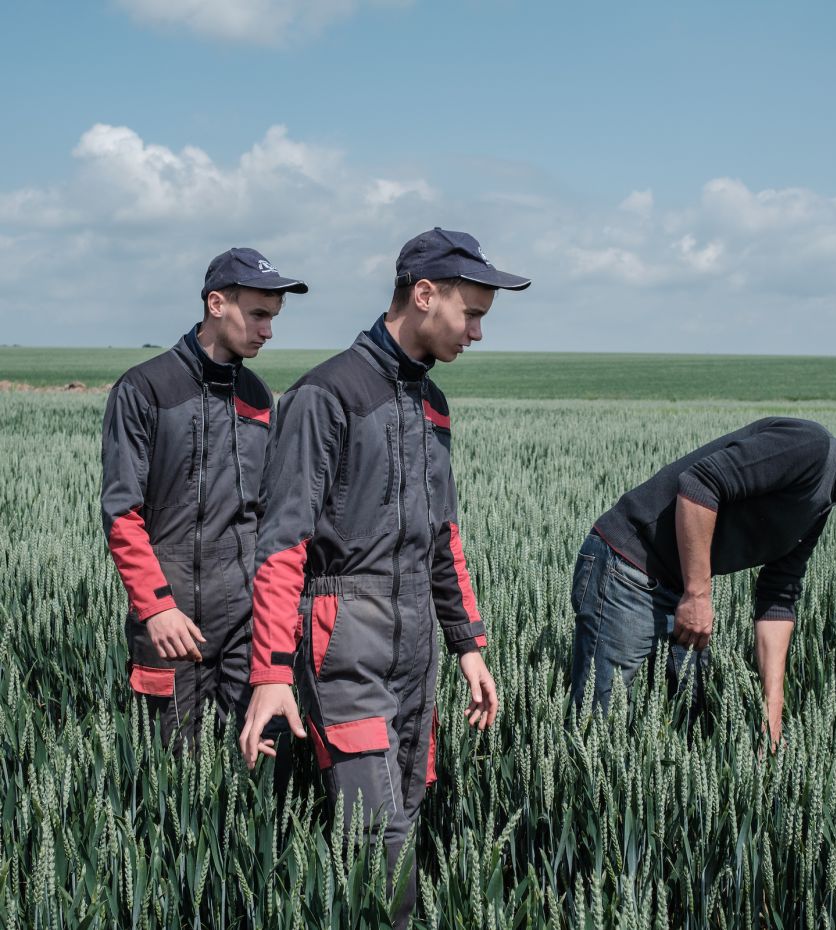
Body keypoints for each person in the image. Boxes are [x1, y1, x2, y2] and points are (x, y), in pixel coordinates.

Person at [239, 228, 530, 926]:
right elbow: (282, 545)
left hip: (415, 652)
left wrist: (468, 645)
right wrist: (272, 673)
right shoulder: (327, 395)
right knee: (378, 838)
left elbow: (443, 536)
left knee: (407, 811)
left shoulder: (432, 405)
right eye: (473, 313)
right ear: (424, 295)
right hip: (344, 642)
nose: (480, 333)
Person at [570, 417, 836, 742]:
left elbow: (778, 597)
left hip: (672, 587)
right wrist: (697, 595)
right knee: (598, 726)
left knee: (686, 725)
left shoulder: (820, 504)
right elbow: (698, 484)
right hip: (626, 570)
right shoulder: (811, 448)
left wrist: (772, 710)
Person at [101, 247, 308, 749]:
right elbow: (121, 513)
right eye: (258, 315)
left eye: (273, 318)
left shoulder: (259, 399)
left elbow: (270, 517)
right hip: (172, 626)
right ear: (217, 304)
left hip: (247, 625)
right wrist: (156, 608)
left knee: (262, 768)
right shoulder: (144, 389)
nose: (268, 331)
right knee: (173, 781)